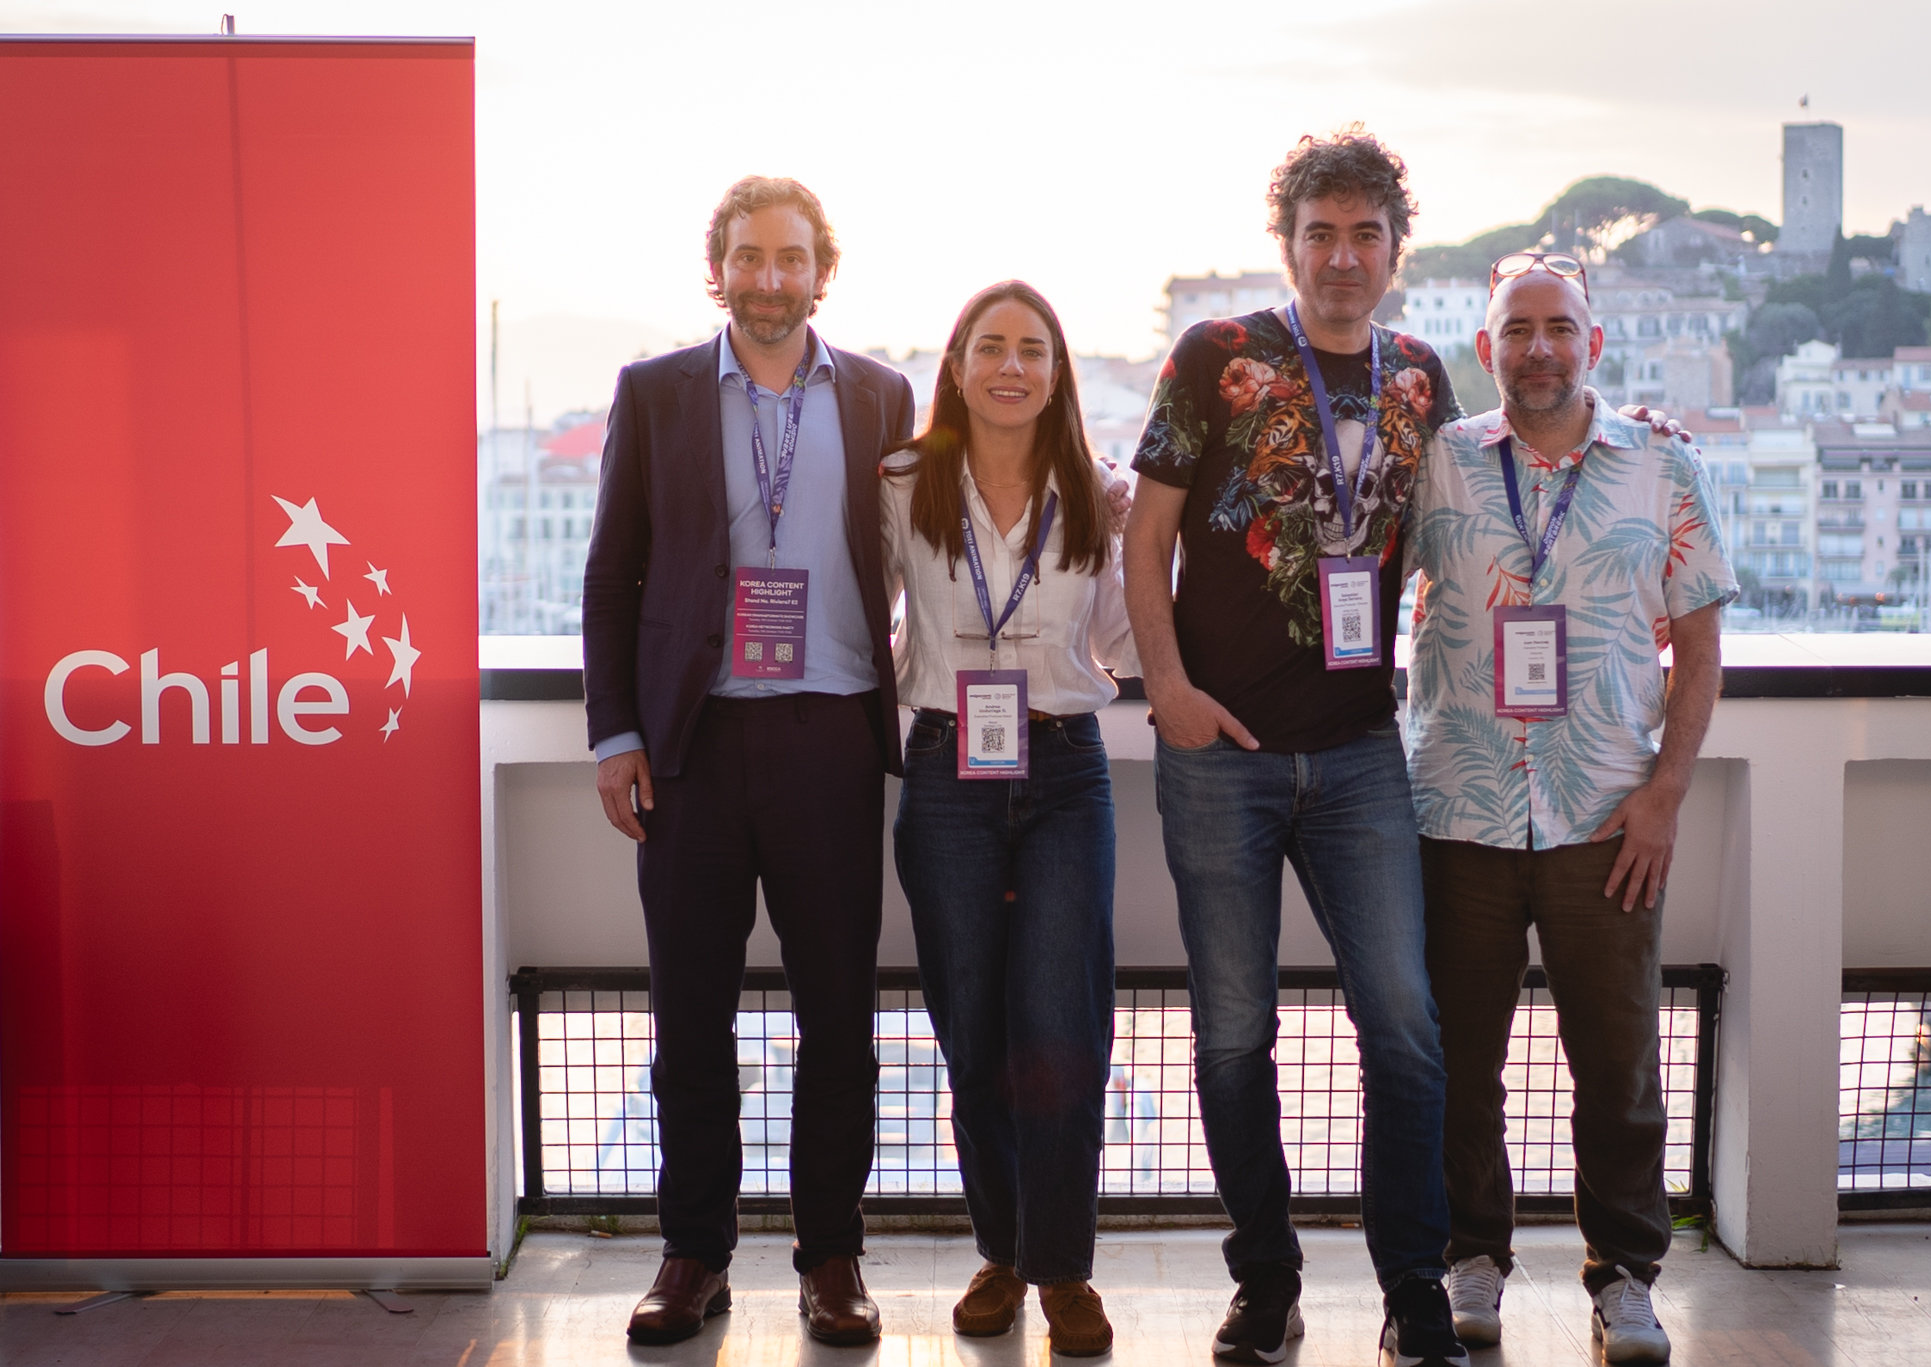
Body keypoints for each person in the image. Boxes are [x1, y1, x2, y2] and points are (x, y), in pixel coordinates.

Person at [1125, 130, 1470, 1367]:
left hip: (1360, 751)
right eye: (1318, 234)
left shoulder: (1419, 375)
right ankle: (1264, 1282)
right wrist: (1166, 689)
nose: (1340, 257)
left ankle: (1413, 1286)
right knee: (1232, 1034)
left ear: (1393, 250)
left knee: (1405, 1026)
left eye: (1363, 234)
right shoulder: (1213, 355)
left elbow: (1472, 517)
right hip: (1218, 750)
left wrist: (1624, 434)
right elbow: (1144, 536)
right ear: (1286, 246)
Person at [580, 175, 915, 1348]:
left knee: (839, 1017)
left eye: (790, 258)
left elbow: (919, 552)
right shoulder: (655, 392)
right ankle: (693, 1252)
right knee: (689, 1018)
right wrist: (615, 732)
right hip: (693, 743)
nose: (769, 278)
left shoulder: (879, 394)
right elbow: (613, 571)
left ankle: (830, 1254)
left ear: (822, 272)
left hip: (831, 735)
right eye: (748, 257)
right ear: (716, 269)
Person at [1402, 252, 1735, 1365]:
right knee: (1459, 1065)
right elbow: (1343, 567)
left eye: (1557, 328)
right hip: (1457, 810)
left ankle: (1625, 1277)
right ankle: (1470, 1257)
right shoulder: (1439, 462)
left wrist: (1664, 795)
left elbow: (1700, 647)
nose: (1537, 348)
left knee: (1619, 1065)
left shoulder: (1663, 464)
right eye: (1516, 329)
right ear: (1485, 346)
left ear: (1592, 342)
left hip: (1606, 818)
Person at [881, 280, 1138, 1357]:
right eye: (991, 346)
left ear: (1056, 371)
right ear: (956, 365)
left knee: (1061, 1026)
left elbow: (1123, 638)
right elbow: (860, 617)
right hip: (946, 771)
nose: (1011, 366)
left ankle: (1062, 1265)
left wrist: (1148, 547)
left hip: (1066, 771)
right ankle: (1001, 1249)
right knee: (973, 1028)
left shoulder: (1096, 489)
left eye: (1033, 349)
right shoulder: (901, 484)